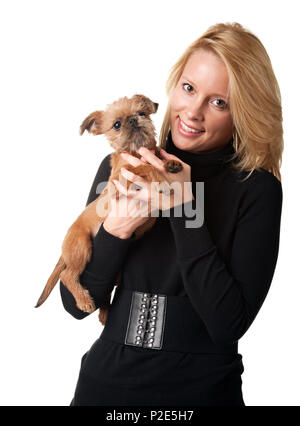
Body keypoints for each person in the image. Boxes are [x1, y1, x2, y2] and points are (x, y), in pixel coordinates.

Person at [60, 22, 283, 406]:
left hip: (203, 392)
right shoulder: (120, 167)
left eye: (218, 102)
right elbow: (76, 303)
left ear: (242, 112)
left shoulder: (256, 189)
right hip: (105, 385)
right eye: (189, 88)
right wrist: (116, 230)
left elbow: (227, 324)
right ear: (175, 85)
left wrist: (184, 208)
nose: (192, 112)